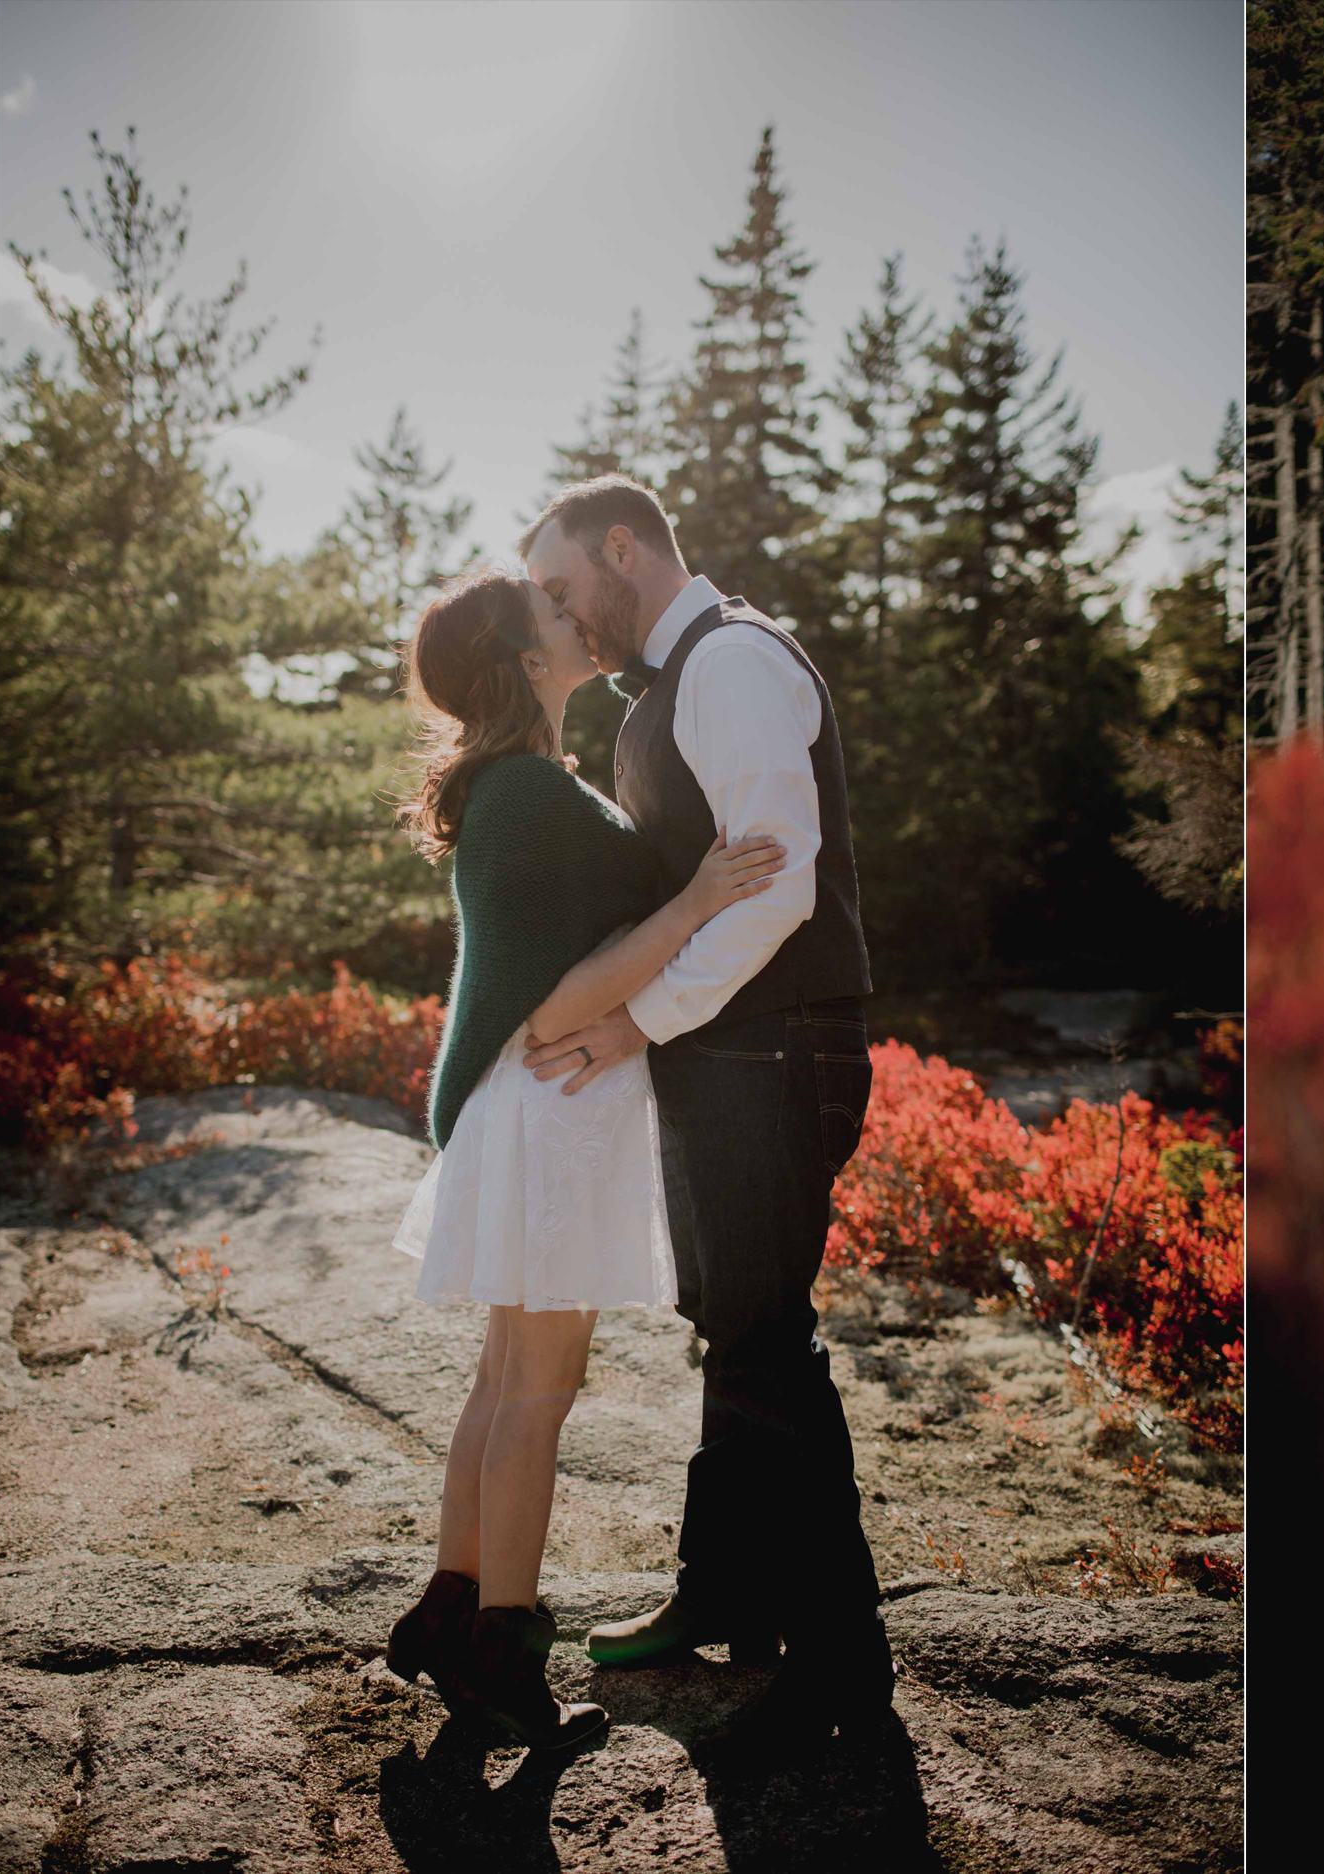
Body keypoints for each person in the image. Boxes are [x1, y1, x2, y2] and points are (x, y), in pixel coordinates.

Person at [512, 476, 893, 1751]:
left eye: (566, 587)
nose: (566, 614)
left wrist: (639, 1019)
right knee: (731, 1326)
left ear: (625, 548)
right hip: (731, 1052)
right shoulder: (667, 689)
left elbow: (776, 885)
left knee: (766, 1336)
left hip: (773, 1047)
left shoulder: (730, 662)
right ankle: (723, 1594)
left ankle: (845, 1664)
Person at [382, 569, 788, 1752]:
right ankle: (504, 1661)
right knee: (537, 1395)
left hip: (535, 1111)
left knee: (504, 1380)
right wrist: (699, 897)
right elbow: (560, 1001)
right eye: (554, 615)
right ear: (523, 658)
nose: (577, 618)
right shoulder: (528, 799)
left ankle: (449, 1610)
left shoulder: (524, 790)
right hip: (552, 1107)